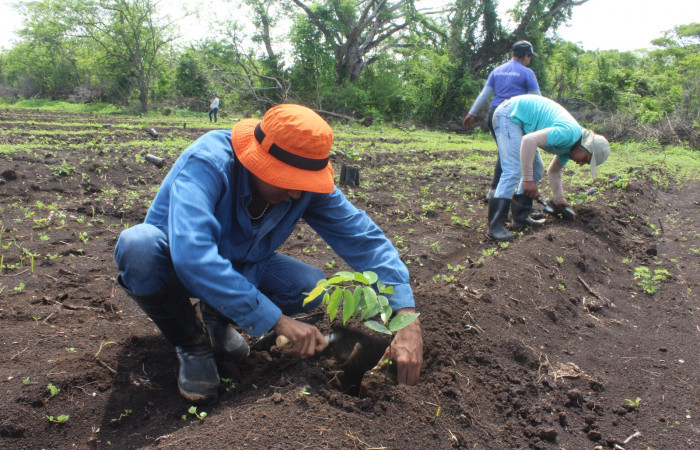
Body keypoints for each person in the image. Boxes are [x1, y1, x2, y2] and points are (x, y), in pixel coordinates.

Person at [114, 104, 423, 404]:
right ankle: (192, 344)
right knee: (137, 246)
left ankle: (215, 319)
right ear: (255, 160)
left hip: (240, 266)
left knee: (309, 286)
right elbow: (192, 254)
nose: (296, 194)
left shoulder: (303, 186)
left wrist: (406, 317)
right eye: (287, 180)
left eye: (305, 184)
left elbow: (364, 239)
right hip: (175, 266)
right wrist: (276, 321)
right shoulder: (208, 162)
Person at [487, 94, 610, 241]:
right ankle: (496, 226)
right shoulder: (569, 134)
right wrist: (527, 180)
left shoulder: (570, 148)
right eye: (585, 159)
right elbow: (529, 141)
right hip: (509, 114)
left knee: (537, 168)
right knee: (513, 169)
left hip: (519, 121)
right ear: (586, 146)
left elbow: (554, 171)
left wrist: (560, 199)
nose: (581, 163)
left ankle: (521, 217)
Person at [463, 40, 542, 202]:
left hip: (493, 115)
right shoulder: (527, 73)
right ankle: (503, 197)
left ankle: (495, 192)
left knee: (504, 152)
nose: (530, 60)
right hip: (512, 116)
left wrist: (472, 113)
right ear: (526, 56)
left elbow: (484, 95)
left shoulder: (497, 70)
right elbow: (537, 99)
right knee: (512, 159)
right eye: (530, 57)